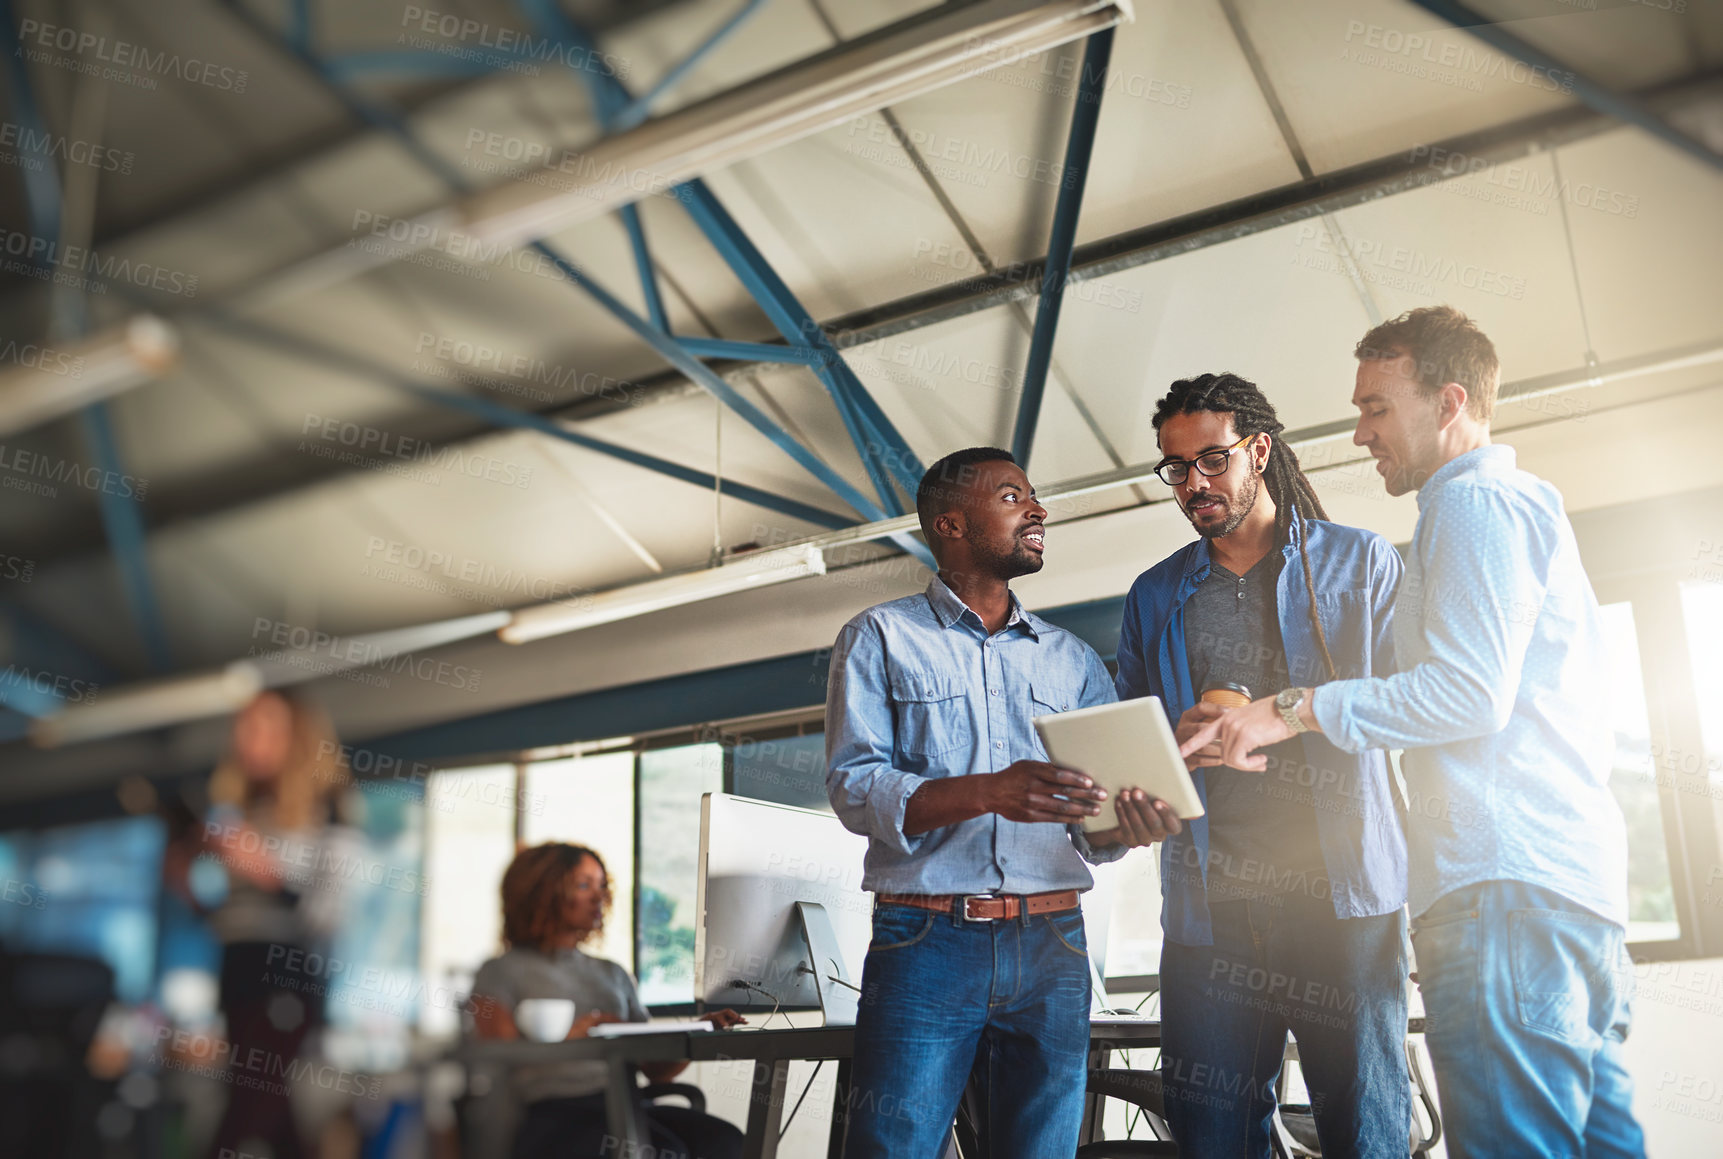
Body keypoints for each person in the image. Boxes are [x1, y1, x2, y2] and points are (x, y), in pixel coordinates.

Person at [1183, 307, 1645, 1157]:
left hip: (1501, 887)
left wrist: (1290, 710)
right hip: (1562, 892)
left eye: (1376, 408)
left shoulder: (1471, 503)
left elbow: (1468, 695)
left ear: (1450, 402)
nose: (1359, 432)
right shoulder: (1509, 503)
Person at [825, 446, 1168, 1159]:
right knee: (895, 1146)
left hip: (1054, 944)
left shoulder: (1070, 659)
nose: (1038, 510)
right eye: (1014, 497)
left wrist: (1126, 825)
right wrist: (988, 790)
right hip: (925, 943)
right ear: (949, 524)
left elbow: (1094, 829)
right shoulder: (879, 637)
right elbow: (855, 788)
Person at [1112, 373, 1410, 1157]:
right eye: (1175, 468)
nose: (1194, 484)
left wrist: (1284, 712)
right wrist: (1154, 763)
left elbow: (1406, 710)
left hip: (1342, 902)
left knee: (1366, 1130)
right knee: (1211, 1136)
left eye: (1212, 459)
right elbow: (1131, 741)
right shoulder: (1155, 594)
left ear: (1260, 450)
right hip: (1210, 910)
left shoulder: (1360, 562)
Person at [164, 689, 358, 1159]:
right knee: (274, 1114)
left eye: (263, 726)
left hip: (287, 969)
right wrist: (190, 887)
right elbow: (228, 916)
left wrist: (271, 875)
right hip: (237, 967)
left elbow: (330, 914)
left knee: (247, 1108)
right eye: (244, 727)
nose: (248, 739)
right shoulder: (239, 809)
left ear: (296, 736)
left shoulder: (329, 805)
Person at [470, 842, 745, 1159]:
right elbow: (498, 1056)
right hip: (551, 1112)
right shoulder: (500, 972)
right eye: (584, 885)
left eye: (601, 885)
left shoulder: (613, 974)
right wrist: (574, 1037)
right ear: (542, 892)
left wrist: (700, 1029)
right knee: (666, 1152)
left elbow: (655, 1070)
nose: (598, 896)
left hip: (626, 1103)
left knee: (725, 1141)